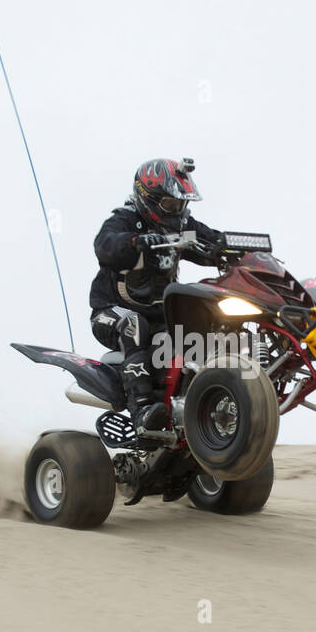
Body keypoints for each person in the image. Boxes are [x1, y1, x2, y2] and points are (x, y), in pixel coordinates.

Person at [89, 158, 226, 432]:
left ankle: (205, 404)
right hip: (111, 312)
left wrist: (233, 250)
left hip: (162, 316)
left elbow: (211, 241)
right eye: (169, 204)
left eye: (180, 205)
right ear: (146, 197)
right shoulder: (125, 219)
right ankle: (142, 414)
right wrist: (136, 242)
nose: (176, 210)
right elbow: (104, 245)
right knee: (133, 326)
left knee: (208, 326)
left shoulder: (180, 225)